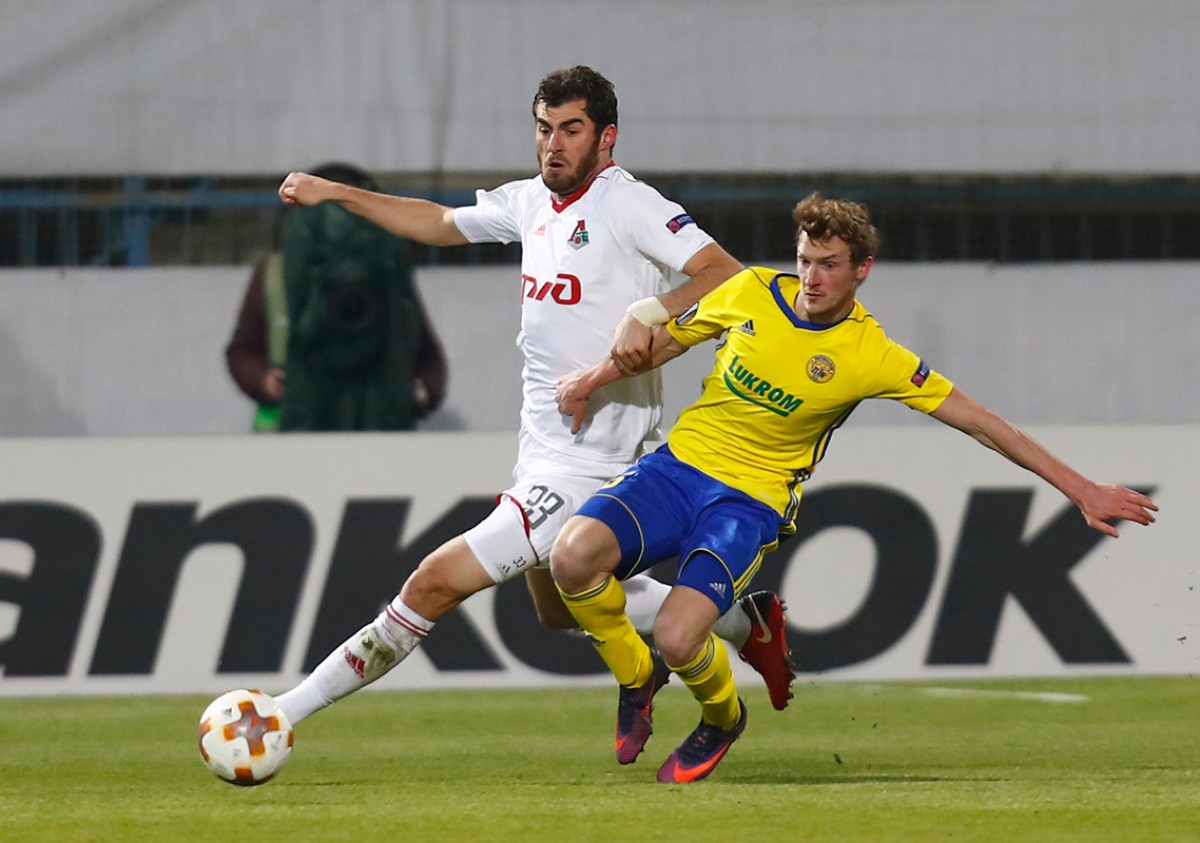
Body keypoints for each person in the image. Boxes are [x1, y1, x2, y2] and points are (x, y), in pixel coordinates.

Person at [549, 192, 1160, 783]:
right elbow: (662, 346)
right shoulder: (750, 291)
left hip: (747, 503)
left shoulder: (871, 354)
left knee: (680, 636)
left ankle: (722, 718)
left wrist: (1080, 488)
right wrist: (592, 380)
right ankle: (637, 676)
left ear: (862, 269)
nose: (812, 278)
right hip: (677, 470)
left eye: (829, 265)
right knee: (571, 558)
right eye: (805, 260)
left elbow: (979, 422)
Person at [268, 66, 797, 734]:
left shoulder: (629, 204)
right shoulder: (529, 202)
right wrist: (337, 194)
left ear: (606, 137)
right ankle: (743, 621)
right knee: (554, 609)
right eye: (545, 129)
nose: (554, 144)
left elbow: (727, 275)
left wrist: (651, 312)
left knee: (432, 582)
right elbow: (438, 222)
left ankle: (280, 714)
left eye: (571, 130)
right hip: (542, 452)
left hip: (597, 464)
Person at [225, 162, 447, 432]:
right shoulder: (276, 274)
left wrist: (418, 393)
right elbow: (242, 349)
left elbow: (426, 354)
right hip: (292, 431)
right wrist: (264, 379)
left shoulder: (387, 271)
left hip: (380, 430)